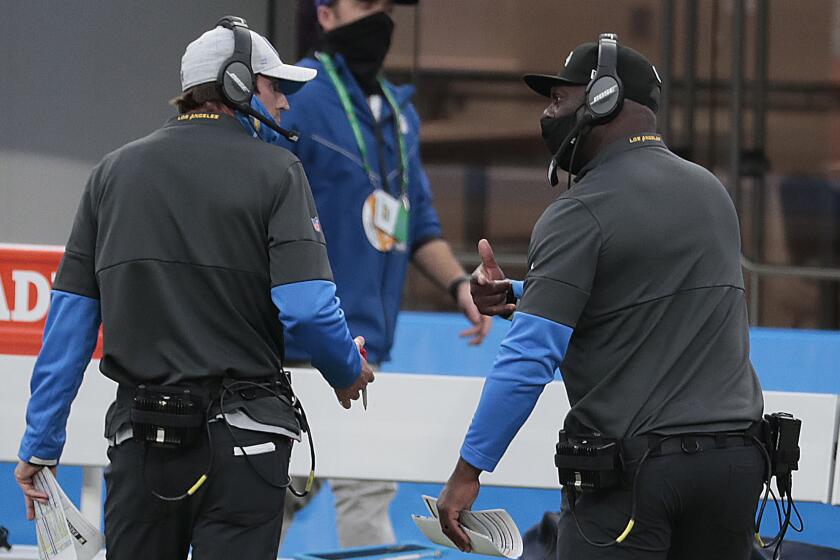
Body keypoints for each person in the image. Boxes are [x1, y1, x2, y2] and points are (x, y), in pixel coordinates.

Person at [14, 18, 373, 560]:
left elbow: (68, 324)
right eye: (276, 87)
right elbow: (308, 311)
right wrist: (347, 371)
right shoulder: (280, 173)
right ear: (237, 85)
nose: (285, 105)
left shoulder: (110, 175)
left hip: (140, 445)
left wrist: (40, 444)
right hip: (246, 445)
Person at [437, 36, 766, 560]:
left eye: (559, 98)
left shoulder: (579, 211)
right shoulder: (711, 192)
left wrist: (468, 471)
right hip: (735, 466)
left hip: (637, 477)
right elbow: (652, 296)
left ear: (604, 98)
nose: (549, 113)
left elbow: (528, 359)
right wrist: (523, 294)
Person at [272, 0, 492, 548]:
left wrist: (460, 286)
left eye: (383, 6)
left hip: (368, 352)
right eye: (362, 4)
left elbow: (417, 221)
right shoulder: (295, 101)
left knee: (367, 502)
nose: (379, 17)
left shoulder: (399, 113)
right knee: (274, 500)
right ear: (324, 15)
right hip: (297, 348)